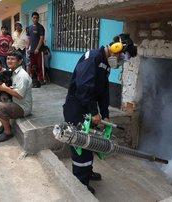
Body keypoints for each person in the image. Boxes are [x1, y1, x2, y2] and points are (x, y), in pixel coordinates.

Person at [63, 33, 137, 194]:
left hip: (87, 108)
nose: (121, 61)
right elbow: (84, 87)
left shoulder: (106, 63)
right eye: (122, 57)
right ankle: (80, 182)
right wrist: (93, 111)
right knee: (80, 144)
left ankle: (87, 172)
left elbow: (104, 92)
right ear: (116, 49)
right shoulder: (93, 57)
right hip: (76, 107)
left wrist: (104, 114)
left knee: (91, 141)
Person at [0, 50, 32, 143]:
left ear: (20, 62)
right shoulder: (12, 72)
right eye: (8, 58)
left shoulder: (22, 76)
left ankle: (8, 132)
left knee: (0, 107)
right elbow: (9, 88)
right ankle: (4, 125)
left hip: (22, 106)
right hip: (13, 101)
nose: (9, 61)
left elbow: (19, 95)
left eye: (12, 59)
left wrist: (4, 88)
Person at [27, 11, 45, 87]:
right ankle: (34, 79)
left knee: (40, 66)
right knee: (32, 66)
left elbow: (41, 38)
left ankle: (41, 79)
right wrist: (28, 47)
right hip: (31, 51)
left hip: (39, 50)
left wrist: (37, 48)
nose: (35, 19)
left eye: (36, 18)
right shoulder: (29, 28)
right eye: (34, 17)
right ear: (32, 18)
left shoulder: (40, 27)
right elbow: (28, 38)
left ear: (38, 19)